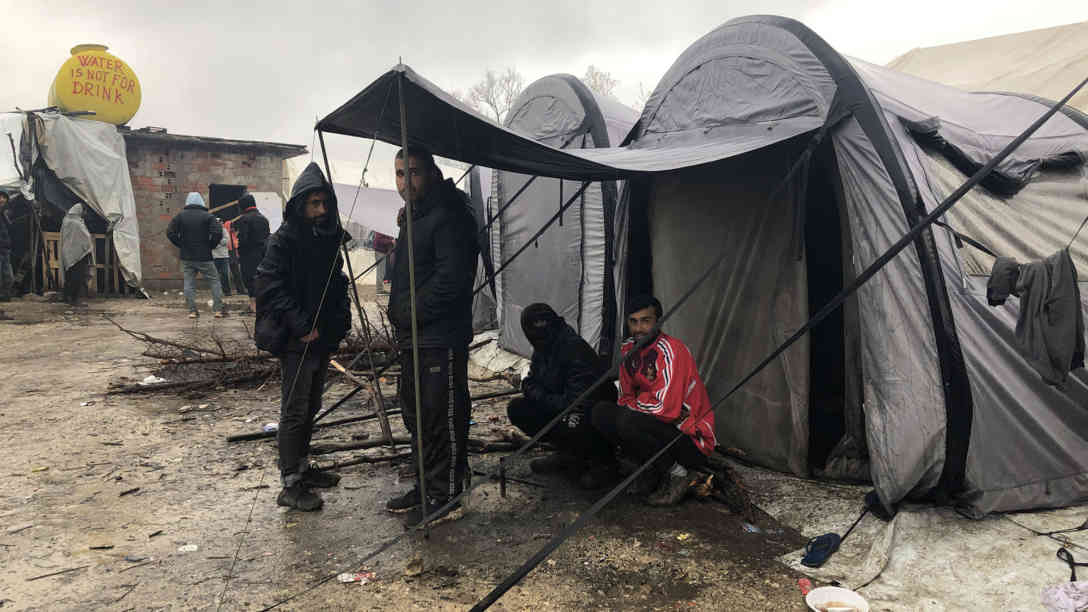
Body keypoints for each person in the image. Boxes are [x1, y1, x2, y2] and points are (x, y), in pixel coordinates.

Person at [384, 147, 479, 527]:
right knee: (417, 414)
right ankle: (427, 486)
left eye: (414, 173)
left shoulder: (448, 217)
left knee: (443, 414)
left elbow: (451, 280)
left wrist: (410, 313)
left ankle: (448, 492)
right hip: (415, 337)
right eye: (399, 174)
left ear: (432, 173)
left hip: (440, 335)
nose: (406, 183)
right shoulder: (414, 217)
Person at [253, 162, 351, 511]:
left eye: (325, 203)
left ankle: (303, 468)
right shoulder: (283, 241)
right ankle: (290, 484)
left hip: (320, 335)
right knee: (295, 409)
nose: (321, 210)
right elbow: (269, 286)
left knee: (311, 404)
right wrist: (301, 325)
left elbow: (336, 282)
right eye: (313, 203)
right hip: (297, 338)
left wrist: (340, 319)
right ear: (299, 205)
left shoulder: (325, 238)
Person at [591, 295, 718, 506]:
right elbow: (624, 398)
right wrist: (642, 401)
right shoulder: (627, 349)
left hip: (692, 439)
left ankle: (680, 474)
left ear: (658, 322)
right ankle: (650, 468)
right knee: (600, 413)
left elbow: (665, 409)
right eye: (633, 321)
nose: (639, 328)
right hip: (659, 426)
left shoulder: (672, 351)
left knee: (628, 421)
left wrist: (637, 402)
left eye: (646, 321)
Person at [506, 303, 617, 489]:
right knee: (518, 408)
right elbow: (532, 381)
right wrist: (535, 391)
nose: (536, 340)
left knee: (573, 420)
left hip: (589, 413)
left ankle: (604, 463)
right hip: (559, 405)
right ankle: (567, 454)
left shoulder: (573, 349)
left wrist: (536, 392)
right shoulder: (543, 347)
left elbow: (574, 402)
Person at [167, 192, 225, 318]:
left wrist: (181, 244)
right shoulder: (208, 216)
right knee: (214, 281)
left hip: (187, 257)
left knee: (189, 283)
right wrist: (211, 245)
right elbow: (218, 232)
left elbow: (170, 232)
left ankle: (192, 311)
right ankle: (218, 310)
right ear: (201, 202)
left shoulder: (180, 217)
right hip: (205, 256)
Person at [234, 193, 271, 314]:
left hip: (249, 255)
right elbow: (267, 237)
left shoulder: (244, 219)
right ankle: (262, 305)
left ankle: (253, 307)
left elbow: (243, 240)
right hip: (263, 254)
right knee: (261, 279)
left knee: (249, 279)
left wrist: (239, 252)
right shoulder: (264, 218)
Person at [60, 203, 93, 307]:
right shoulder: (76, 223)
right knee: (77, 277)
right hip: (78, 254)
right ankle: (74, 299)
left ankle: (66, 297)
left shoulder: (66, 220)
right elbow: (85, 237)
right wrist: (88, 247)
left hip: (68, 252)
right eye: (84, 211)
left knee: (69, 276)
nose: (85, 213)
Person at [212, 217, 232, 297]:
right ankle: (217, 292)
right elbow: (209, 241)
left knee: (225, 275)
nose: (219, 223)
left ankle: (227, 291)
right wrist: (219, 242)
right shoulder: (211, 231)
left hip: (224, 256)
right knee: (215, 276)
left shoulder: (224, 230)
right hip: (214, 257)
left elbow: (227, 241)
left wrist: (216, 242)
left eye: (220, 222)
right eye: (217, 222)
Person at [0, 192, 13, 302]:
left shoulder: (4, 215)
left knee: (8, 276)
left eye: (4, 198)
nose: (2, 200)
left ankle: (5, 296)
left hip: (5, 249)